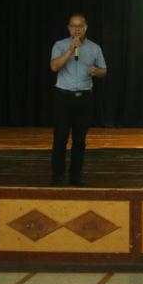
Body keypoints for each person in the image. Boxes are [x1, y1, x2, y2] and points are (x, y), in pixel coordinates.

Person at [49, 13, 106, 186]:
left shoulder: (94, 48)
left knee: (80, 140)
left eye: (80, 26)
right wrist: (70, 50)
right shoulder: (60, 45)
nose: (77, 30)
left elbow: (104, 70)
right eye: (73, 26)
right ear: (68, 28)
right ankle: (58, 176)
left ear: (85, 28)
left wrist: (97, 72)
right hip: (63, 98)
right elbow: (54, 67)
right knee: (60, 139)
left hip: (84, 99)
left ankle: (76, 177)